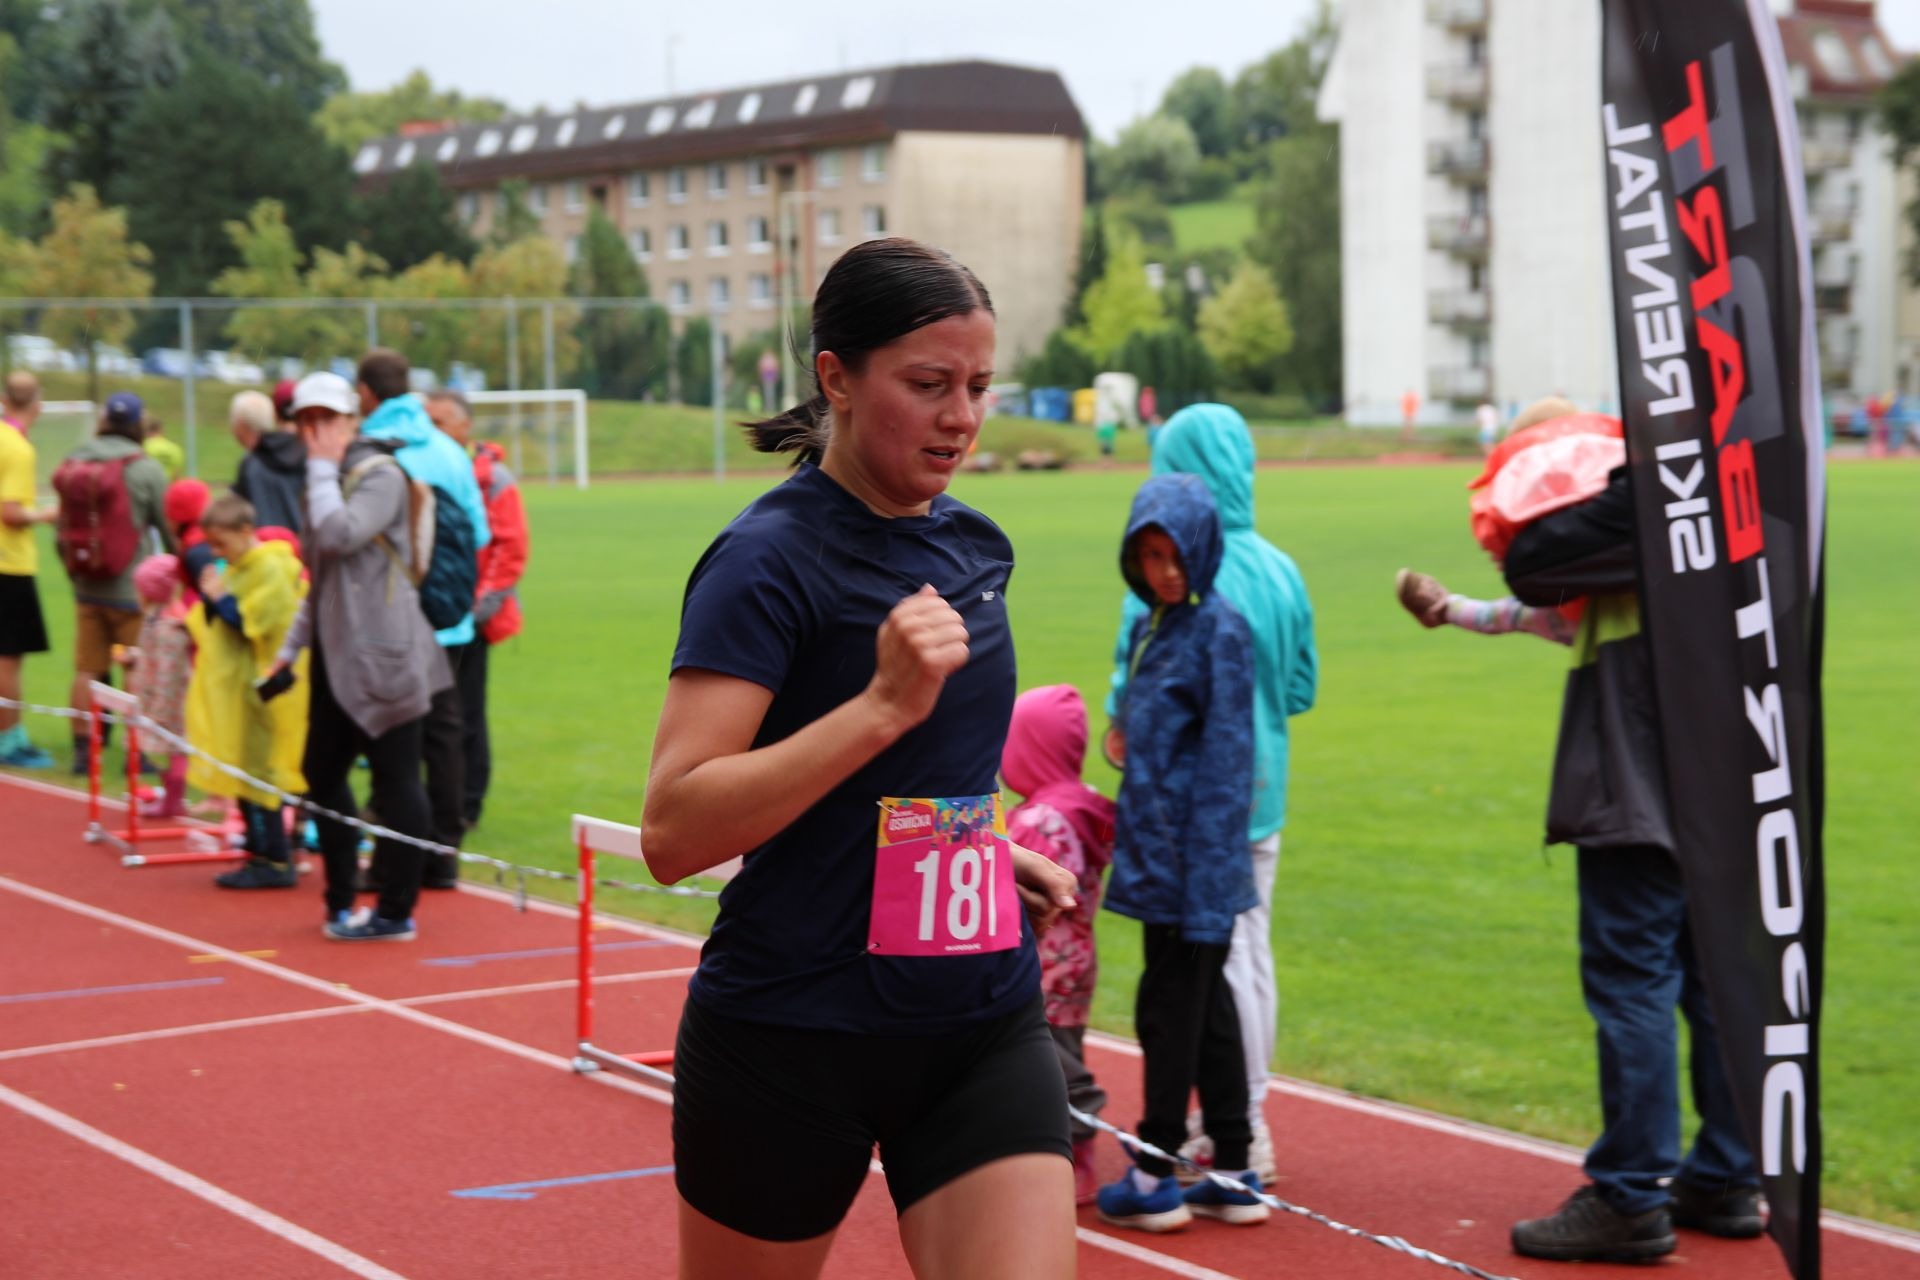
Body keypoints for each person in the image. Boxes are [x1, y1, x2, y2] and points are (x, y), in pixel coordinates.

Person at [639, 237, 1079, 1279]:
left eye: (978, 386)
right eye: (928, 385)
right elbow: (674, 828)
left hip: (977, 1020)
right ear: (836, 377)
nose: (961, 416)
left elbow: (929, 773)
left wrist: (981, 848)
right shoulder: (764, 561)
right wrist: (878, 708)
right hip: (793, 1033)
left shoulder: (977, 546)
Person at [1493, 459, 1763, 1263]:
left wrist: (1590, 473)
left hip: (1642, 776)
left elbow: (1533, 565)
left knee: (1634, 979)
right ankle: (1726, 1175)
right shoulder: (1757, 473)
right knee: (1712, 980)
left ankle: (1630, 1195)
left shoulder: (1658, 481)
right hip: (1738, 774)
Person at [1104, 403, 1317, 1186]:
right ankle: (1241, 1126)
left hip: (1184, 810)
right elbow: (1300, 687)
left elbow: (1129, 700)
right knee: (1246, 954)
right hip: (1263, 789)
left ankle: (1234, 1132)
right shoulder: (1281, 570)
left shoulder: (1173, 587)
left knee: (1201, 970)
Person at [1095, 472, 1267, 1233]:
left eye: (1176, 555)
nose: (1165, 572)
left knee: (1167, 1014)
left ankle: (1154, 1171)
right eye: (1151, 556)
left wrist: (1205, 888)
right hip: (1160, 858)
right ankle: (1233, 1167)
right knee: (1209, 1011)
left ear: (1204, 550)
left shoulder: (1221, 631)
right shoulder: (1154, 623)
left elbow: (1229, 765)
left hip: (1191, 868)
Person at [272, 371, 450, 940]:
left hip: (385, 656)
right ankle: (341, 898)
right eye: (307, 420)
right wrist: (289, 650)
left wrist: (321, 469)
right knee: (320, 775)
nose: (316, 431)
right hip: (335, 657)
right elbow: (320, 576)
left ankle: (396, 911)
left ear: (352, 420)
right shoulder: (326, 479)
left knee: (398, 781)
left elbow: (338, 535)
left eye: (327, 418)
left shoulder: (379, 475)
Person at [356, 350, 489, 888]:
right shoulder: (448, 450)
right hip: (448, 619)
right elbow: (479, 533)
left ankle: (392, 866)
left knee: (392, 742)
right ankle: (442, 857)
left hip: (388, 618)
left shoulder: (367, 449)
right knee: (443, 737)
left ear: (366, 393)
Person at [1001, 683, 1116, 1207]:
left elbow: (1016, 887)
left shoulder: (1039, 821)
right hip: (1076, 960)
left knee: (1051, 1061)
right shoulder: (1082, 807)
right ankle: (1059, 1147)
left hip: (1042, 962)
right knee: (1062, 1048)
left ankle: (1076, 1146)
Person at [184, 493, 310, 889]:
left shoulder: (270, 567)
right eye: (211, 545)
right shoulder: (239, 568)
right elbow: (220, 618)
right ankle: (257, 851)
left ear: (245, 531)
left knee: (261, 772)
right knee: (243, 768)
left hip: (266, 690)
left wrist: (220, 597)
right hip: (239, 689)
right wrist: (213, 598)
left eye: (221, 543)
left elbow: (256, 622)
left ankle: (275, 859)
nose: (216, 553)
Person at [54, 391, 175, 774]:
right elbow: (167, 526)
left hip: (86, 587)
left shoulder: (76, 459)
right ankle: (135, 753)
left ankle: (81, 753)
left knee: (87, 669)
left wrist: (74, 573)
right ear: (138, 424)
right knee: (134, 668)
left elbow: (62, 527)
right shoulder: (144, 468)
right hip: (130, 589)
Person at [424, 388, 528, 829]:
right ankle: (437, 800)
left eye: (440, 421)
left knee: (464, 713)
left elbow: (511, 549)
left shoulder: (495, 479)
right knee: (427, 713)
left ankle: (466, 805)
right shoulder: (420, 468)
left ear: (465, 426)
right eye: (427, 421)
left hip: (470, 617)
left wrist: (478, 607)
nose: (431, 430)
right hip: (429, 613)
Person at [0, 371, 58, 768]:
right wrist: (45, 514)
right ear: (37, 405)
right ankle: (9, 740)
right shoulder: (18, 448)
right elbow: (11, 512)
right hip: (10, 562)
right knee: (8, 658)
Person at [128, 554, 193, 817]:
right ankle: (170, 795)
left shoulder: (169, 629)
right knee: (159, 751)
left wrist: (160, 710)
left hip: (169, 704)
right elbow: (153, 655)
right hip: (153, 697)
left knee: (173, 750)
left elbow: (169, 671)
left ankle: (174, 799)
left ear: (149, 592)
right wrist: (136, 657)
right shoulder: (153, 619)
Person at [230, 389, 308, 537]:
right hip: (298, 542)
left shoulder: (251, 464)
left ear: (241, 424)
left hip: (264, 543)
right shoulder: (301, 452)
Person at [141, 415, 184, 481]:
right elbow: (176, 474)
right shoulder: (175, 448)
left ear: (146, 431)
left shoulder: (142, 447)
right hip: (168, 485)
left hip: (148, 484)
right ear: (162, 430)